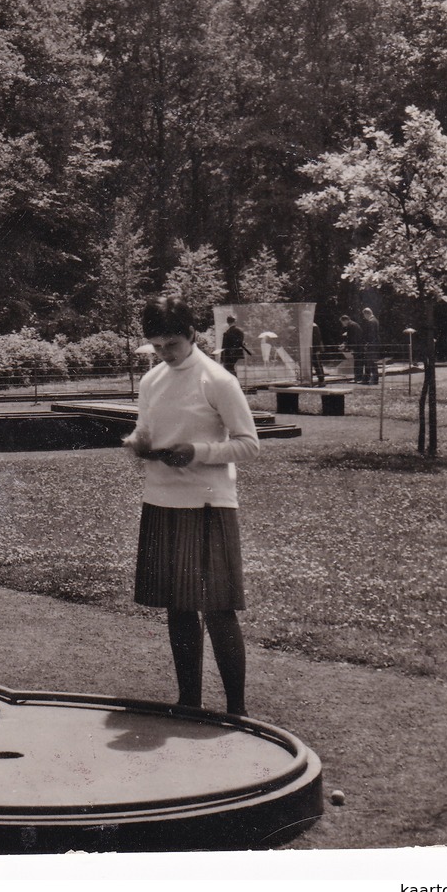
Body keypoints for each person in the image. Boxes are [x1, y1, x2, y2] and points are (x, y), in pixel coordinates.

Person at [122, 296, 259, 717]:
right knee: (178, 608)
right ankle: (189, 702)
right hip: (161, 500)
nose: (163, 354)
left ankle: (237, 710)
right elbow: (145, 430)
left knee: (218, 609)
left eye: (171, 345)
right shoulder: (151, 381)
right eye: (156, 346)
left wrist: (196, 451)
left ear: (192, 334)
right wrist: (138, 444)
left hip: (208, 504)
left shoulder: (217, 380)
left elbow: (249, 445)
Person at [219, 314, 246, 380]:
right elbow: (240, 342)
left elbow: (224, 346)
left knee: (228, 368)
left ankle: (234, 382)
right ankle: (234, 382)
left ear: (228, 322)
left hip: (228, 354)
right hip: (236, 353)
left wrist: (222, 357)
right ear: (234, 321)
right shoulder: (239, 331)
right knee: (230, 368)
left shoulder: (227, 333)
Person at [360, 306, 382, 385]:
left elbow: (371, 334)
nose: (364, 317)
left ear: (367, 314)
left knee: (370, 362)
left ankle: (372, 379)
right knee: (371, 362)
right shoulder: (375, 320)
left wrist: (367, 343)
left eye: (364, 315)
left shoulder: (371, 322)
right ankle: (368, 379)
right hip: (375, 345)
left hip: (371, 345)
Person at [338, 314, 362, 382]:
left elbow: (352, 338)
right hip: (358, 346)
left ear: (345, 320)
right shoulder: (353, 324)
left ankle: (357, 378)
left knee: (357, 363)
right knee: (358, 362)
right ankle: (358, 377)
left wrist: (347, 346)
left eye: (342, 322)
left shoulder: (351, 326)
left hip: (357, 347)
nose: (342, 324)